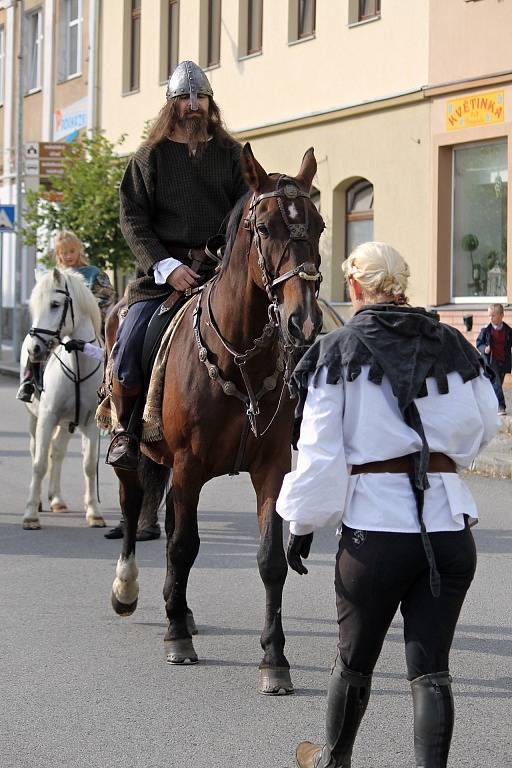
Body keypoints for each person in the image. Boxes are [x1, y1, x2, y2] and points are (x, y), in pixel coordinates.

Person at [276, 242, 500, 768]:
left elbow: (319, 450)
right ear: (402, 285)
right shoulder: (451, 343)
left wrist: (302, 521)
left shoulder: (339, 349)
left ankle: (334, 759)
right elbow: (487, 422)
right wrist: (444, 455)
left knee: (355, 660)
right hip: (447, 530)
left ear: (354, 288)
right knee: (431, 669)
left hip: (375, 534)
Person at [105, 60, 247, 474]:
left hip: (221, 273)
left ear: (210, 103)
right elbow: (132, 218)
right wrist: (164, 266)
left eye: (200, 96)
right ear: (171, 105)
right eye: (185, 97)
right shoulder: (150, 157)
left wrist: (228, 259)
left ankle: (284, 418)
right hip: (163, 279)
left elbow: (246, 210)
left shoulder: (231, 155)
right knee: (132, 341)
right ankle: (127, 432)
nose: (193, 104)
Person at [16, 230, 115, 402]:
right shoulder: (53, 277)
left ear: (79, 251)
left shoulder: (93, 273)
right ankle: (28, 381)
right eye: (63, 252)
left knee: (113, 351)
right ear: (58, 254)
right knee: (37, 341)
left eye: (71, 251)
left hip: (91, 324)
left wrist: (86, 310)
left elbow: (107, 296)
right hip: (60, 326)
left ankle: (114, 388)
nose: (68, 256)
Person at [476, 303, 512, 415]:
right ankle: (501, 406)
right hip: (491, 361)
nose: (491, 318)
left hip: (503, 361)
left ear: (501, 315)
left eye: (493, 315)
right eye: (489, 316)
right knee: (496, 382)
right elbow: (479, 343)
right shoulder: (486, 331)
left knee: (497, 385)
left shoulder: (508, 331)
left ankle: (490, 405)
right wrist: (484, 349)